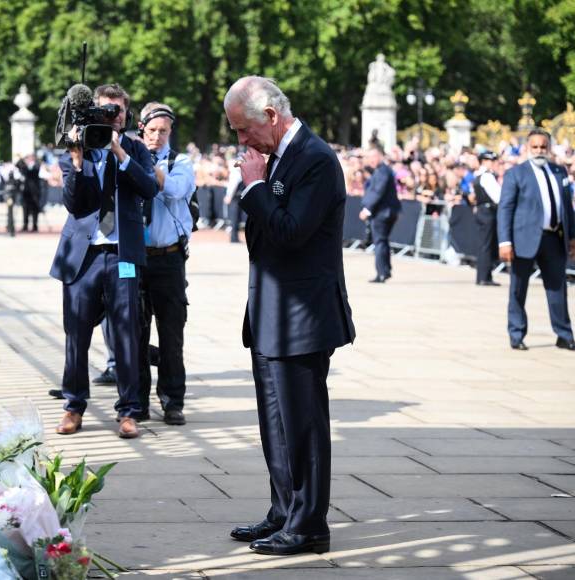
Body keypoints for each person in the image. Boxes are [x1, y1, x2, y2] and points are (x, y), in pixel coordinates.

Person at [223, 76, 356, 556]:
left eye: (243, 130)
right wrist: (258, 188)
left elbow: (291, 232)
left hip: (302, 316)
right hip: (270, 312)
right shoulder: (280, 156)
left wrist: (256, 186)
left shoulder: (315, 159)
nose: (241, 141)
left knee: (303, 426)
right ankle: (284, 512)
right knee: (275, 426)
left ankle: (309, 525)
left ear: (271, 117)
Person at [49, 83, 158, 438]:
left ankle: (129, 411)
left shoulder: (135, 149)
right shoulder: (76, 148)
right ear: (93, 112)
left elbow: (149, 188)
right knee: (76, 334)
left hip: (122, 254)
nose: (113, 117)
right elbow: (75, 204)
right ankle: (73, 406)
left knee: (127, 333)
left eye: (119, 112)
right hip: (84, 256)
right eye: (106, 111)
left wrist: (118, 152)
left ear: (127, 115)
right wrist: (79, 162)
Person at [137, 102, 196, 426]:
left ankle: (173, 400)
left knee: (172, 335)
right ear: (141, 129)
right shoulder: (129, 156)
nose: (157, 137)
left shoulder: (181, 162)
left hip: (170, 257)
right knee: (135, 333)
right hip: (137, 258)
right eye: (152, 131)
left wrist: (147, 164)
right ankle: (138, 401)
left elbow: (174, 190)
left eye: (163, 131)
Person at [498, 129, 575, 352]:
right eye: (534, 147)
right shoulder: (516, 173)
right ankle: (516, 334)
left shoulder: (559, 171)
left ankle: (564, 335)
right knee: (518, 288)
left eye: (543, 147)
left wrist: (573, 236)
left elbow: (567, 207)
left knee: (557, 288)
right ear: (527, 148)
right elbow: (505, 209)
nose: (539, 151)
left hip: (554, 238)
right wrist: (504, 241)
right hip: (523, 240)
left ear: (549, 148)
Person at [360, 146, 400, 283]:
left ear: (379, 156)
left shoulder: (383, 171)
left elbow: (378, 191)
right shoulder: (381, 171)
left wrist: (367, 209)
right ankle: (386, 270)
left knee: (380, 242)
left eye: (373, 157)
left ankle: (381, 273)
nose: (370, 160)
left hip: (382, 212)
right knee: (383, 241)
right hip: (385, 211)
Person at [471, 152, 502, 286]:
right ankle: (484, 277)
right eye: (491, 160)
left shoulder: (479, 175)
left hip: (483, 211)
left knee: (485, 244)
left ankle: (483, 276)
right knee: (487, 245)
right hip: (488, 212)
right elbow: (498, 197)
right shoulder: (487, 176)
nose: (493, 163)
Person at [17, 153, 42, 232]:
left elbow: (33, 171)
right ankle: (25, 225)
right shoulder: (25, 166)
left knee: (35, 209)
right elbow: (18, 165)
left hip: (35, 191)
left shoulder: (36, 164)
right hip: (26, 191)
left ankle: (35, 225)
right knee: (25, 208)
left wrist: (29, 163)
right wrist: (22, 158)